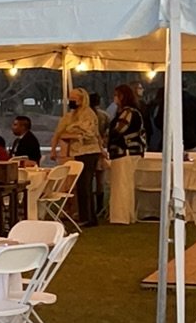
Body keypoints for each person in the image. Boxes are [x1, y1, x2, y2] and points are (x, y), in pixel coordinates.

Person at [56, 89, 104, 224]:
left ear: (82, 99)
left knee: (85, 186)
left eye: (73, 98)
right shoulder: (74, 114)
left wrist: (73, 134)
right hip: (78, 152)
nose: (71, 101)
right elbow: (63, 132)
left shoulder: (87, 114)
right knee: (82, 186)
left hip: (88, 153)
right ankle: (88, 217)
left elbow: (88, 134)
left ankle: (87, 218)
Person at [106, 85, 146, 160]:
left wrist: (107, 136)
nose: (114, 97)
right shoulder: (128, 112)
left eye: (116, 95)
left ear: (122, 96)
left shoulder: (128, 112)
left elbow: (119, 130)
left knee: (122, 172)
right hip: (126, 153)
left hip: (126, 152)